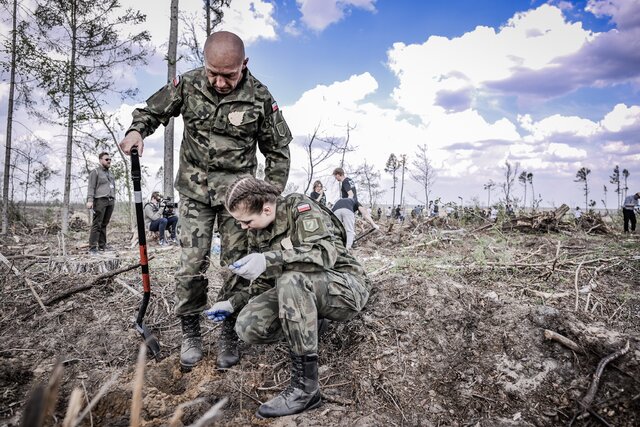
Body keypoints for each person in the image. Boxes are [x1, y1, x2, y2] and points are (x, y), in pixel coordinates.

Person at [119, 31, 292, 370]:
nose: (220, 81)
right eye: (213, 72)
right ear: (205, 63)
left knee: (237, 263)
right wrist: (137, 130)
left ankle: (228, 328)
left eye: (229, 74)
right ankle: (191, 331)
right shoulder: (188, 83)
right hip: (195, 192)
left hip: (239, 199)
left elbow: (278, 151)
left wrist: (268, 198)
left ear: (245, 64)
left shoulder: (259, 96)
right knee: (191, 263)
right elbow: (151, 111)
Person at [205, 177, 370, 417]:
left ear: (267, 208)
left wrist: (269, 259)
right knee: (248, 326)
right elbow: (265, 280)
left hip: (344, 286)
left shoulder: (301, 208)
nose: (243, 227)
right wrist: (232, 303)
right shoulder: (259, 230)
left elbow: (324, 254)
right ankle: (313, 321)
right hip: (304, 290)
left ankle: (306, 389)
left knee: (291, 279)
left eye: (246, 221)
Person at [86, 152, 116, 254]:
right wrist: (90, 200)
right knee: (97, 224)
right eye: (106, 159)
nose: (109, 161)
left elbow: (113, 187)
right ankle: (92, 247)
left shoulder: (110, 174)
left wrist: (113, 198)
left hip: (110, 200)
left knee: (104, 224)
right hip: (100, 200)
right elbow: (91, 187)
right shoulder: (95, 172)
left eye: (110, 159)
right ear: (100, 160)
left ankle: (102, 246)